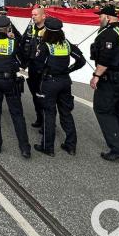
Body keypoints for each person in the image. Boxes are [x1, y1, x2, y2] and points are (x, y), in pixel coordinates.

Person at [89, 5, 119, 161]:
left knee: (103, 110)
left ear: (108, 18)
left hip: (112, 78)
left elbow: (105, 58)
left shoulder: (108, 34)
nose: (99, 19)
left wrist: (96, 75)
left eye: (100, 16)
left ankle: (118, 148)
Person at [32, 17, 85, 157]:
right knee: (66, 113)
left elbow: (37, 65)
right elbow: (81, 60)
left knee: (49, 114)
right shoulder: (67, 44)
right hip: (65, 81)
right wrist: (69, 69)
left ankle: (47, 147)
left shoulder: (45, 45)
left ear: (47, 31)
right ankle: (71, 145)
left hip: (49, 82)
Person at [0, 14, 30, 158]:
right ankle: (24, 148)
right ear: (8, 28)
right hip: (10, 81)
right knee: (17, 115)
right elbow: (24, 62)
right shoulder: (13, 43)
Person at [19, 6, 47, 130]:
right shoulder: (32, 29)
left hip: (44, 69)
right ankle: (40, 118)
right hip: (33, 67)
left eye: (35, 14)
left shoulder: (48, 30)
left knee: (43, 97)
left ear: (43, 16)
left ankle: (47, 123)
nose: (33, 17)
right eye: (32, 15)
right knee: (35, 95)